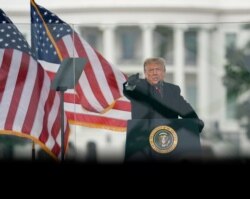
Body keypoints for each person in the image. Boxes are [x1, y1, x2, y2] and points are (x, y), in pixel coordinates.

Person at [123, 57, 204, 133]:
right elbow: (128, 91)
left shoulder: (173, 90)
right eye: (151, 70)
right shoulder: (138, 87)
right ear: (145, 73)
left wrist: (195, 122)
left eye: (158, 69)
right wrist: (129, 84)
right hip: (143, 137)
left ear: (164, 72)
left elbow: (184, 109)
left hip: (168, 139)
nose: (154, 73)